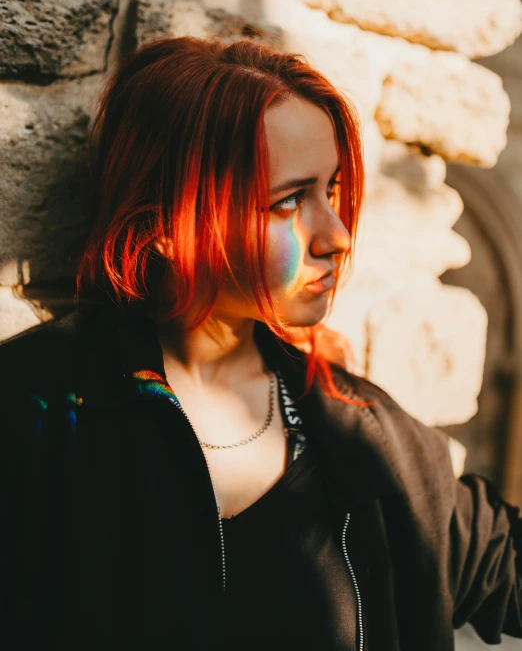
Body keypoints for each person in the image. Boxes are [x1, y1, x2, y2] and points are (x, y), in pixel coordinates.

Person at [1, 35, 521, 651]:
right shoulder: (35, 411)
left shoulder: (371, 441)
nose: (337, 235)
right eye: (289, 201)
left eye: (329, 191)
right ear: (167, 225)